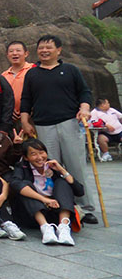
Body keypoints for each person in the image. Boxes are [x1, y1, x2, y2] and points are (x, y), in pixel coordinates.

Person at [20, 35, 96, 218]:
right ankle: (60, 205)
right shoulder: (32, 73)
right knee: (49, 168)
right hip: (43, 125)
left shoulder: (70, 70)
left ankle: (85, 208)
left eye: (49, 47)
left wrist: (84, 109)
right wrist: (25, 121)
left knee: (76, 166)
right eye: (41, 48)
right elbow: (26, 99)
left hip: (69, 122)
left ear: (59, 50)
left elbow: (84, 92)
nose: (44, 51)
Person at [10, 139, 84, 245]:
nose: (39, 157)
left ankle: (64, 227)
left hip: (55, 212)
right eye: (33, 154)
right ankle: (45, 228)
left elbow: (80, 191)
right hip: (33, 214)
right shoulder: (22, 167)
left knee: (62, 182)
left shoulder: (53, 165)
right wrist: (44, 199)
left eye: (41, 152)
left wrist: (62, 170)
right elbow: (15, 184)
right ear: (26, 157)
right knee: (25, 185)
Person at [1, 41, 35, 130]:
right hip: (12, 119)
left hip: (33, 116)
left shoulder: (34, 70)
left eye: (18, 50)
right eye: (11, 51)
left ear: (26, 53)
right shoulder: (3, 76)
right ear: (7, 55)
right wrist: (9, 110)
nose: (14, 53)